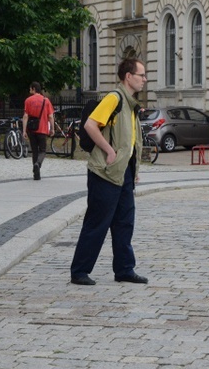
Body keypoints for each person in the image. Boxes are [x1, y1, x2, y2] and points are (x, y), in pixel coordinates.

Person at [70, 58, 148, 286]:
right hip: (105, 172)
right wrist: (109, 151)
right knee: (97, 222)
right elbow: (90, 125)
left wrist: (133, 168)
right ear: (128, 76)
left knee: (125, 222)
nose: (144, 79)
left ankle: (124, 269)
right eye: (141, 75)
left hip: (123, 172)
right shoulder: (114, 98)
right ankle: (79, 271)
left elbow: (130, 140)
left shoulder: (130, 103)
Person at [22, 81, 55, 180]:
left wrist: (24, 130)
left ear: (33, 89)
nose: (29, 90)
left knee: (35, 151)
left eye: (30, 88)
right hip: (42, 129)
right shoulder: (46, 101)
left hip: (31, 130)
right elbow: (50, 116)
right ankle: (38, 163)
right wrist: (52, 128)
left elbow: (25, 116)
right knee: (43, 150)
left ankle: (36, 175)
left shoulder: (28, 100)